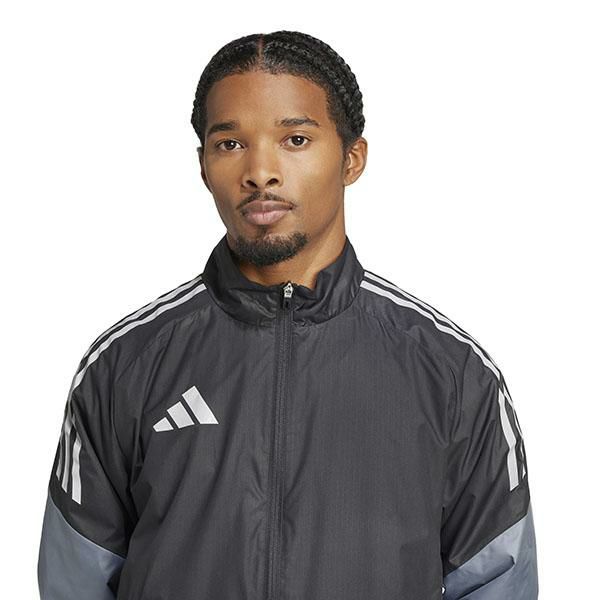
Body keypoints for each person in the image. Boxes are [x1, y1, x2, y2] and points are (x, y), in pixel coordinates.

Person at [37, 30, 538, 600]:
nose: (260, 171)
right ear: (203, 166)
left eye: (295, 139)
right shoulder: (124, 366)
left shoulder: (452, 374)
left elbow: (496, 582)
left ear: (352, 159)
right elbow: (74, 584)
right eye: (230, 144)